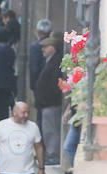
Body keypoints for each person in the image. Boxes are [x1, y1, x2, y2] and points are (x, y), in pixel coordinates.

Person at [33, 37, 64, 165]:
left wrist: (45, 99)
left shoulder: (56, 62)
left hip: (51, 103)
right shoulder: (49, 61)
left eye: (45, 47)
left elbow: (54, 85)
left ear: (53, 48)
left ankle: (53, 155)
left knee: (51, 130)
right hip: (46, 104)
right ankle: (50, 154)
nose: (43, 49)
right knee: (47, 130)